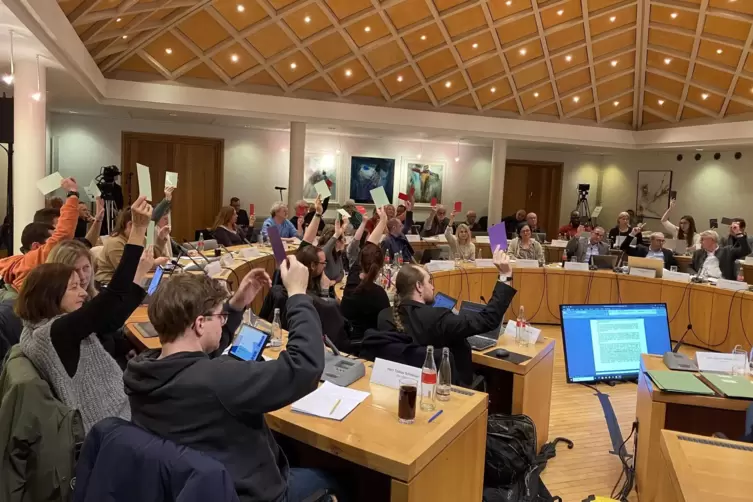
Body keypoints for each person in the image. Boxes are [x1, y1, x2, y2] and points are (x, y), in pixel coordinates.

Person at [124, 258, 343, 502]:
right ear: (199, 324)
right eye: (221, 317)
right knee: (339, 479)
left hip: (195, 491)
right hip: (254, 495)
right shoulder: (220, 381)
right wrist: (298, 296)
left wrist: (235, 306)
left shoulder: (142, 371)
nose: (223, 321)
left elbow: (194, 359)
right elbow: (304, 367)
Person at [15, 196, 158, 432]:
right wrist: (139, 230)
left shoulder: (44, 325)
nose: (82, 290)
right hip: (111, 425)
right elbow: (113, 296)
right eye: (73, 287)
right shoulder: (55, 333)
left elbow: (109, 318)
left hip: (116, 413)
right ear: (52, 295)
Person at [376, 249, 515, 386]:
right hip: (446, 391)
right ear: (419, 286)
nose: (432, 287)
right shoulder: (438, 318)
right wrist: (505, 276)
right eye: (429, 282)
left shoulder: (384, 317)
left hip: (402, 387)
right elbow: (488, 319)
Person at [47, 239, 137, 368]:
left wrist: (125, 348)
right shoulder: (62, 320)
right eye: (75, 270)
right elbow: (117, 290)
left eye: (86, 268)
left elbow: (108, 328)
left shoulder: (90, 296)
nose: (83, 276)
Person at [0, 177, 79, 294]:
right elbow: (64, 234)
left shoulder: (15, 264)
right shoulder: (34, 261)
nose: (59, 245)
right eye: (51, 239)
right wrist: (72, 194)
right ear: (36, 246)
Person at [341, 208, 389, 342]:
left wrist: (383, 221)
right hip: (366, 343)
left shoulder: (352, 277)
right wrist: (383, 220)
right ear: (380, 267)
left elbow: (369, 245)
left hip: (346, 336)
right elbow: (388, 323)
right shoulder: (378, 293)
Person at [95, 203, 169, 285]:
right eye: (144, 226)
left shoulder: (142, 238)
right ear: (130, 225)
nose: (145, 230)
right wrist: (153, 264)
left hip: (130, 283)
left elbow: (153, 256)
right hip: (109, 284)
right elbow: (126, 272)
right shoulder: (115, 242)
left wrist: (160, 239)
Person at [317, 216, 348, 284]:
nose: (345, 242)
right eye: (343, 239)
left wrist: (334, 281)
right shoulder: (326, 253)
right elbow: (325, 250)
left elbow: (341, 273)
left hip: (333, 286)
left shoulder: (338, 253)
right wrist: (336, 235)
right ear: (336, 241)